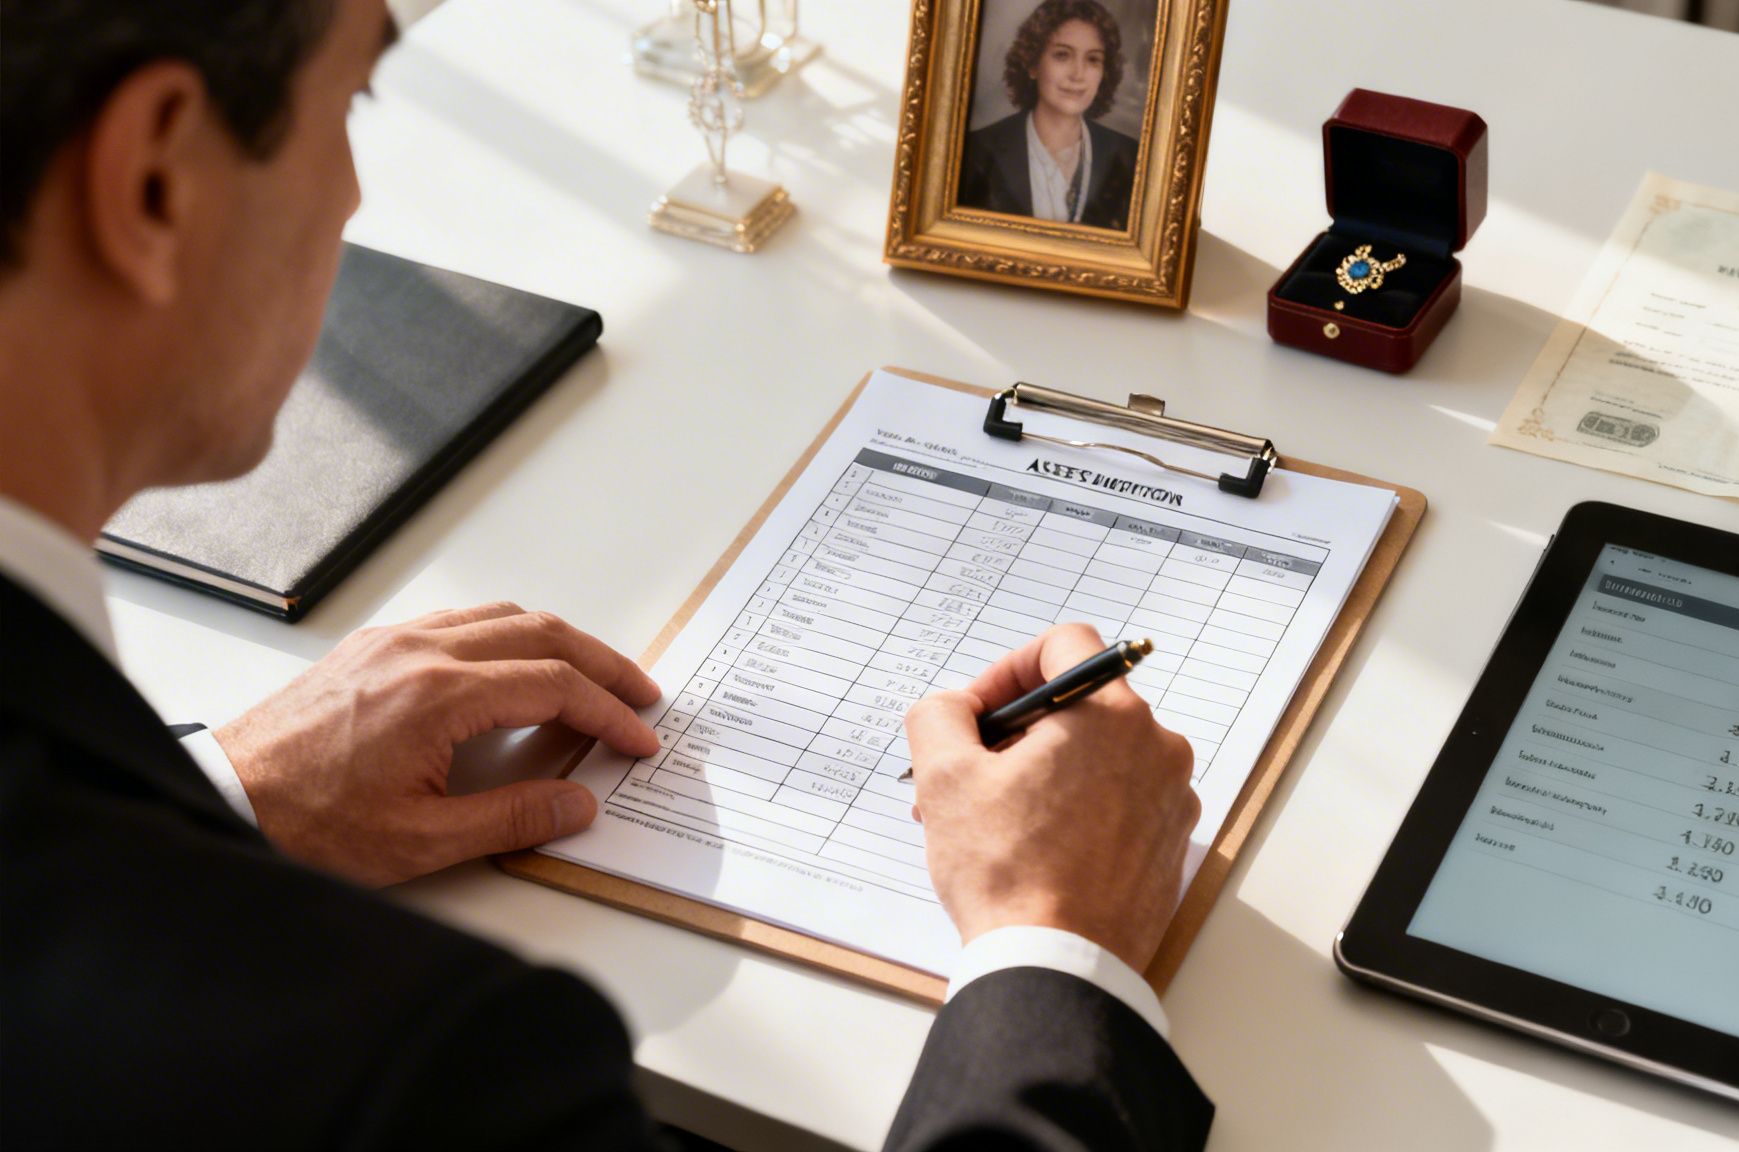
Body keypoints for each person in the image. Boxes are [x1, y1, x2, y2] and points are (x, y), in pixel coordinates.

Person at [0, 1, 1212, 1147]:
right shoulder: (419, 1066)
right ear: (153, 178)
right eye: (353, 103)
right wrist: (1058, 950)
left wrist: (221, 796)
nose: (358, 192)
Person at [956, 0, 1140, 230]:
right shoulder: (977, 152)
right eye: (1062, 55)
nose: (1078, 75)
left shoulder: (1131, 159)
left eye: (1093, 59)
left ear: (1104, 72)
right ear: (1032, 64)